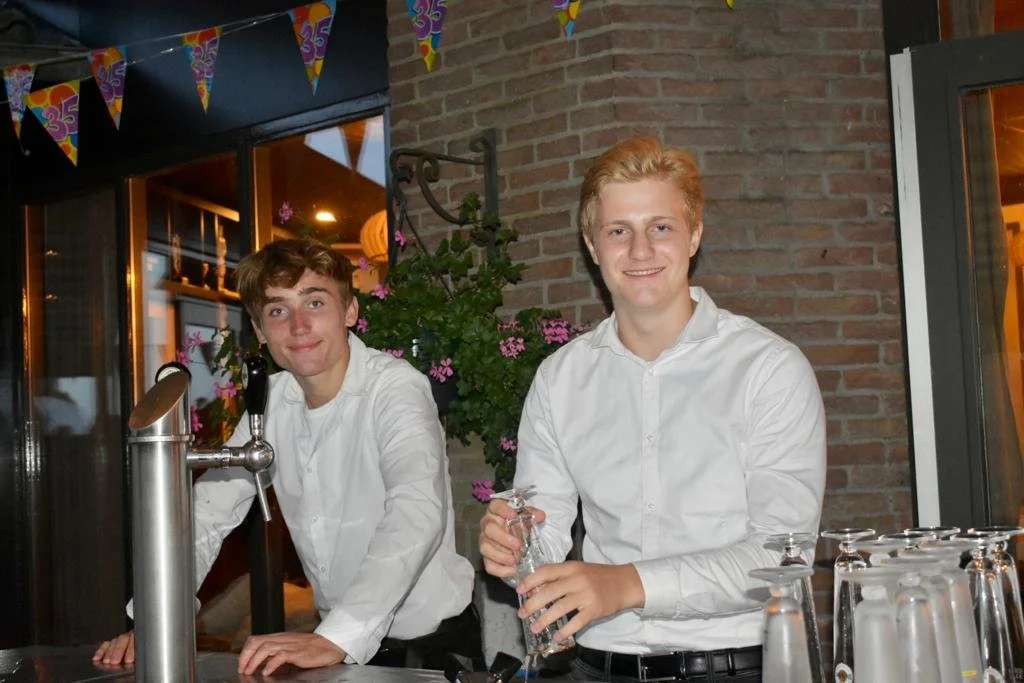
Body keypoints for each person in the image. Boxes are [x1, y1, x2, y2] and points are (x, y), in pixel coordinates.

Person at [478, 137, 826, 682]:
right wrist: (514, 545)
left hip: (737, 669)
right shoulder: (560, 378)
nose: (640, 251)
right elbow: (542, 531)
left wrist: (625, 584)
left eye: (660, 227)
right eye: (619, 231)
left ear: (695, 236)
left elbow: (782, 559)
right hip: (591, 668)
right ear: (593, 247)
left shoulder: (770, 368)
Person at [95, 238, 482, 676]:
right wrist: (154, 621)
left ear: (350, 311)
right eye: (278, 311)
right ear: (260, 331)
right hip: (336, 646)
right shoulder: (272, 402)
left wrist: (337, 636)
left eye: (315, 302)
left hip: (429, 651)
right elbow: (206, 515)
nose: (298, 326)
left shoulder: (394, 388)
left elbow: (416, 511)